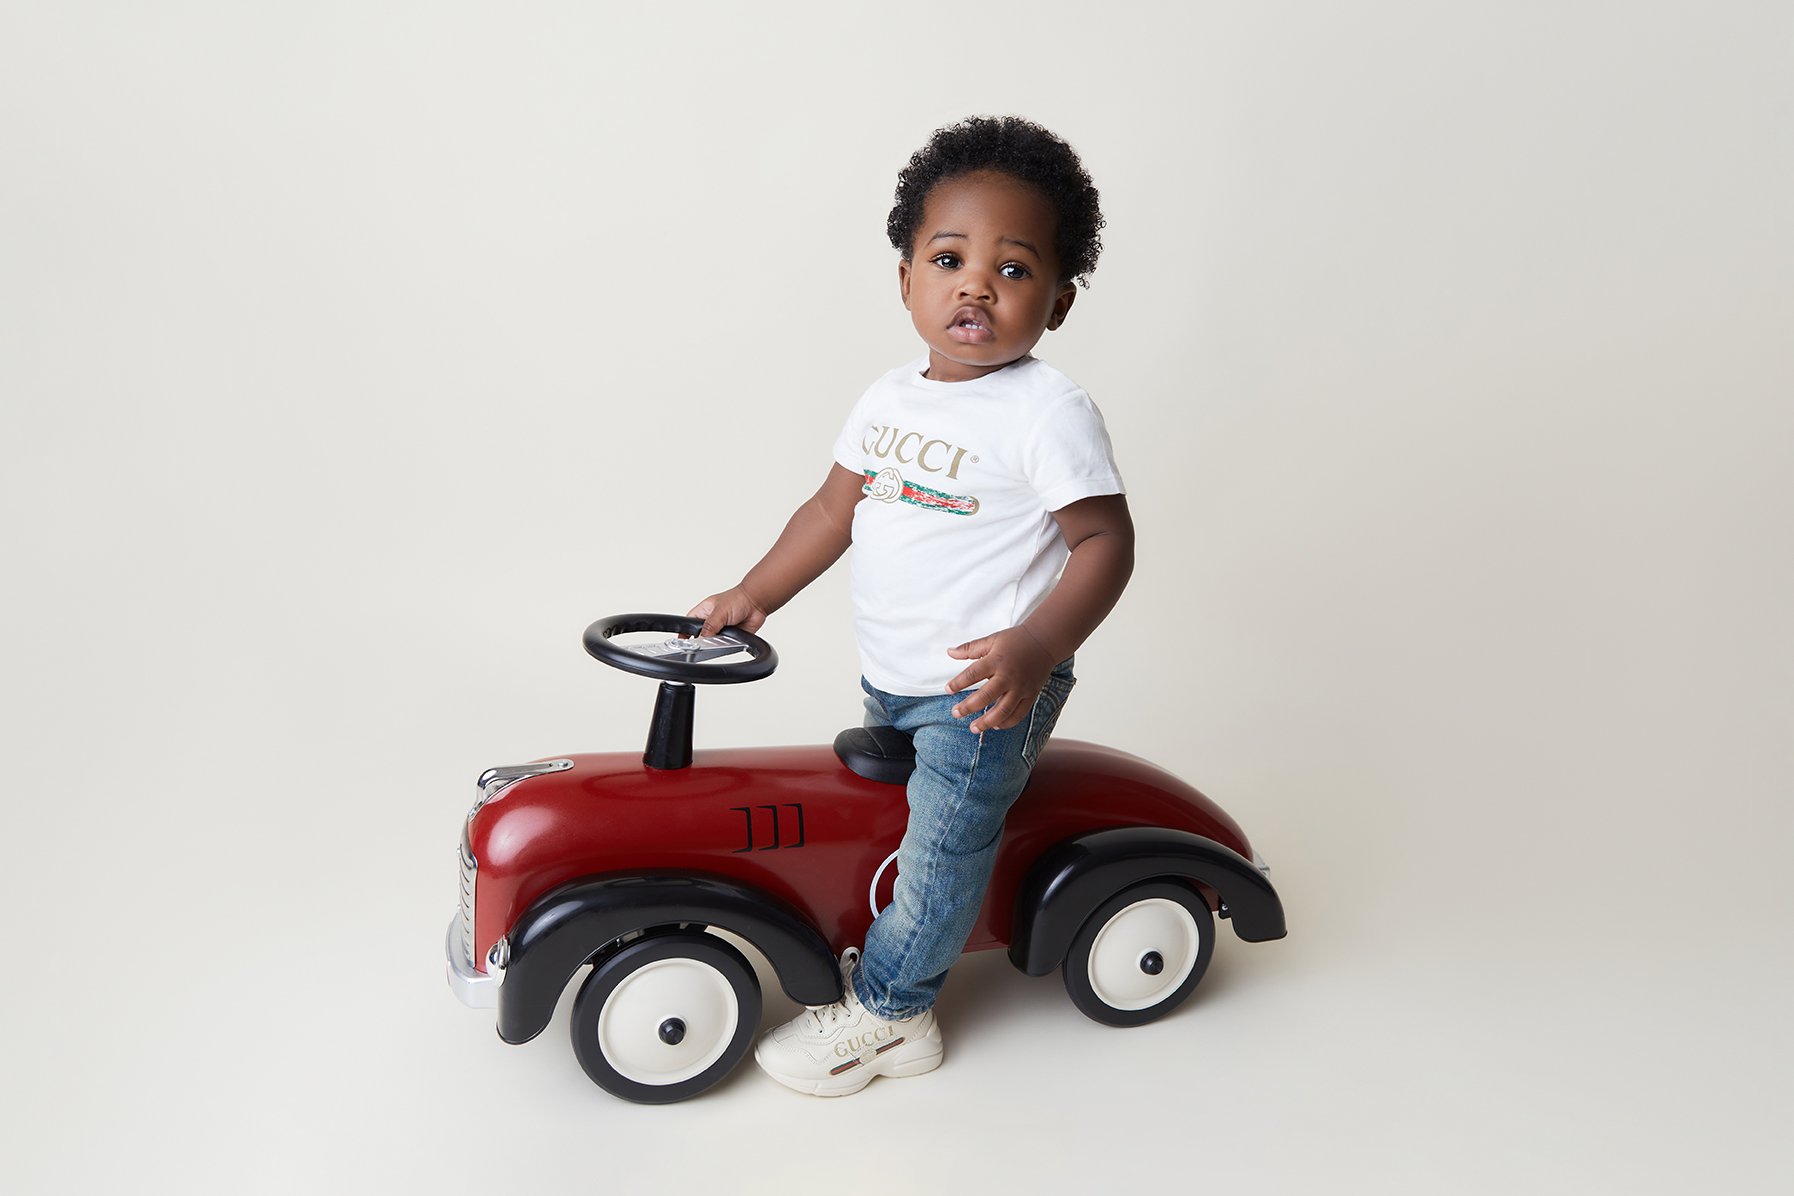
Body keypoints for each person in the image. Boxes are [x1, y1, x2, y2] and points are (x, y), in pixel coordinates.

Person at [689, 116, 1134, 1096]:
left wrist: (1036, 645)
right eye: (949, 258)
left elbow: (1106, 542)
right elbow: (830, 511)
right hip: (891, 672)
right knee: (892, 825)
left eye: (1013, 269)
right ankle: (895, 941)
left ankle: (895, 1012)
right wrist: (755, 593)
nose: (976, 285)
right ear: (905, 280)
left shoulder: (1045, 411)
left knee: (940, 847)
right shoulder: (888, 399)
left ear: (1058, 301)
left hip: (981, 688)